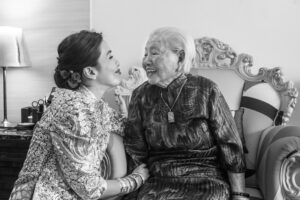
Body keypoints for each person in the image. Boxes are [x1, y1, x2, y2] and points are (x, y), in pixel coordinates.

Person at [9, 30, 149, 200]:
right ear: (90, 72)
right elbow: (88, 188)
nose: (117, 62)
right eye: (110, 57)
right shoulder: (75, 111)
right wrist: (136, 179)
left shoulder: (91, 105)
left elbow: (127, 128)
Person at [123, 27, 249, 200]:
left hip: (206, 178)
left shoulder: (206, 90)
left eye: (154, 53)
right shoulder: (140, 96)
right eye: (145, 54)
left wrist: (239, 194)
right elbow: (134, 149)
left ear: (180, 58)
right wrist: (134, 185)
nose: (146, 61)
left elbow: (230, 145)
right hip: (159, 179)